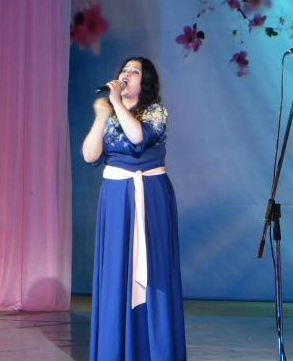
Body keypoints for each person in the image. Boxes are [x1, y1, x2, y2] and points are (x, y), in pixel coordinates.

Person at [82, 57, 187, 361]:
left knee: (154, 271)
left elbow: (138, 137)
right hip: (116, 198)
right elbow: (90, 156)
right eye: (124, 70)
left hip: (150, 197)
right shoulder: (110, 113)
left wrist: (116, 102)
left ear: (146, 81)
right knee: (116, 271)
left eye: (134, 71)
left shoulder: (155, 111)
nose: (126, 74)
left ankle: (154, 350)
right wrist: (101, 116)